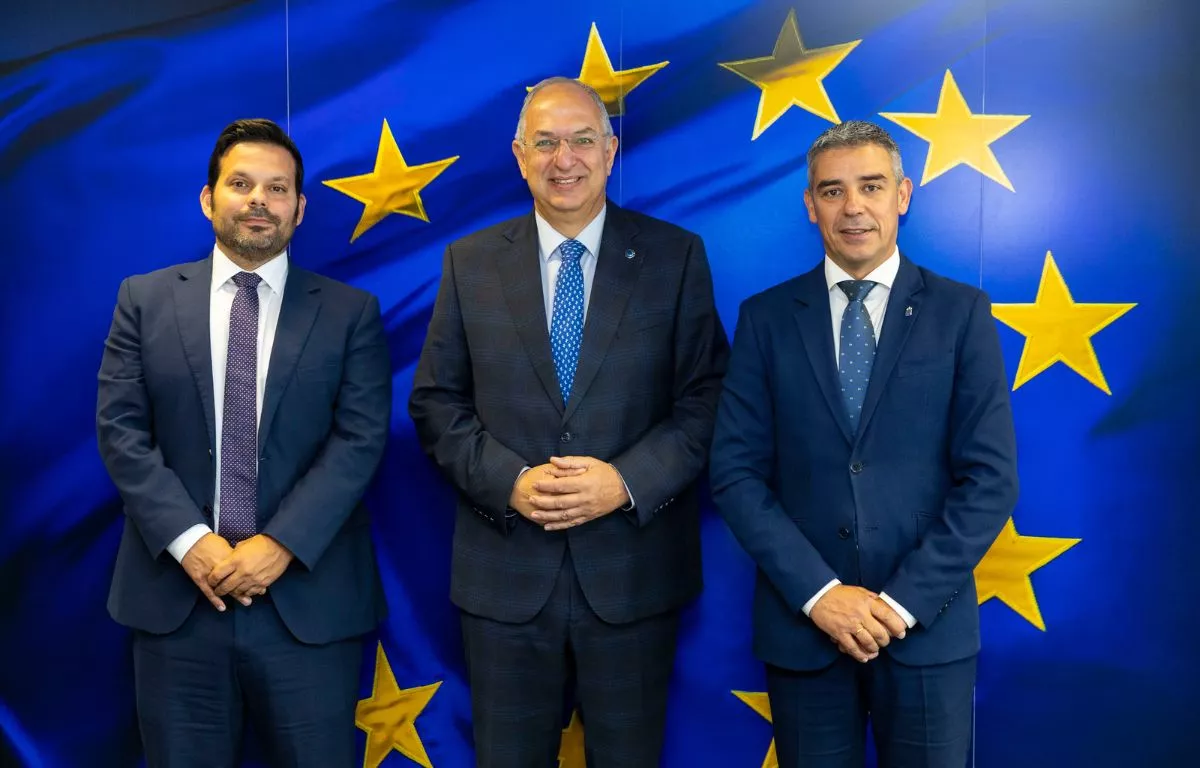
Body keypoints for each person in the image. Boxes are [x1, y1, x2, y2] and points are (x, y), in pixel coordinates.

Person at [408, 77, 728, 768]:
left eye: (583, 140)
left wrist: (626, 482)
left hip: (633, 577)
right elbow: (435, 402)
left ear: (610, 152)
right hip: (505, 579)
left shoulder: (675, 258)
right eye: (545, 143)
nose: (565, 159)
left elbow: (706, 399)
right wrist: (510, 482)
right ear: (519, 156)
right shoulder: (469, 263)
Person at [709, 120, 1019, 767]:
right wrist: (822, 595)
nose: (853, 207)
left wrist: (900, 604)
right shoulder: (765, 319)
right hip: (806, 631)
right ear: (810, 205)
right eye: (832, 191)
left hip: (928, 632)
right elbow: (736, 473)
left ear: (902, 195)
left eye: (871, 186)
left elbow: (990, 479)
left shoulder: (962, 314)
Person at [97, 118, 391, 767]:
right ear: (209, 199)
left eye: (277, 188)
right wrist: (190, 542)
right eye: (241, 184)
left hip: (307, 610)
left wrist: (279, 545)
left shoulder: (350, 314)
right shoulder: (142, 301)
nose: (259, 200)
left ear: (299, 207)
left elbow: (360, 440)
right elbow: (121, 430)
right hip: (177, 605)